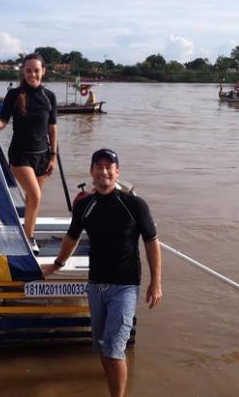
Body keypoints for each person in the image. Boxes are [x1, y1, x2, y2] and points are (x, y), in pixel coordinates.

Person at [43, 148, 162, 397]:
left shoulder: (134, 205)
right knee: (101, 346)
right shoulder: (85, 205)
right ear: (91, 172)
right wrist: (57, 264)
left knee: (114, 350)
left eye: (110, 167)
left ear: (117, 173)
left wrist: (156, 282)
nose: (104, 171)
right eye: (99, 166)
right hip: (95, 285)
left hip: (125, 286)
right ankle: (110, 379)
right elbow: (71, 238)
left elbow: (152, 242)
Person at [0, 53, 58, 253]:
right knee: (35, 196)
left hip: (43, 155)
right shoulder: (14, 95)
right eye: (29, 70)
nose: (33, 74)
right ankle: (28, 238)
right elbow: (2, 124)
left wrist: (53, 156)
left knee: (33, 200)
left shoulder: (49, 97)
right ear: (24, 71)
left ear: (43, 71)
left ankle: (27, 231)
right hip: (20, 156)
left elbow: (52, 128)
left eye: (36, 71)